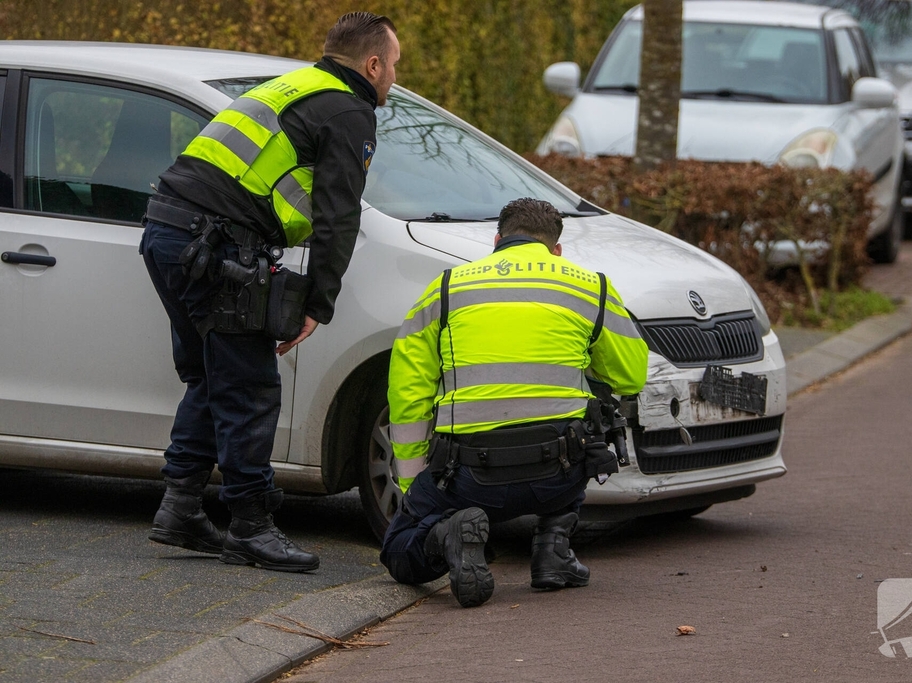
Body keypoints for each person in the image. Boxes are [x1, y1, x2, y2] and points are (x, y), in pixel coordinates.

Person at [140, 12, 400, 573]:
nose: (394, 80)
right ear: (372, 64)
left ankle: (180, 510)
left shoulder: (291, 87)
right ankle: (252, 528)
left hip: (168, 235)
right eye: (394, 67)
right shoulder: (350, 110)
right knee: (250, 387)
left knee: (211, 378)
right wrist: (317, 304)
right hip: (214, 246)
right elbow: (339, 216)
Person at [381, 198, 649, 607]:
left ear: (497, 240)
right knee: (587, 410)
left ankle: (446, 535)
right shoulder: (591, 285)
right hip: (558, 475)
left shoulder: (448, 287)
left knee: (398, 549)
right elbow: (630, 376)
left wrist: (412, 480)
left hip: (468, 478)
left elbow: (407, 391)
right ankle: (553, 552)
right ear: (556, 250)